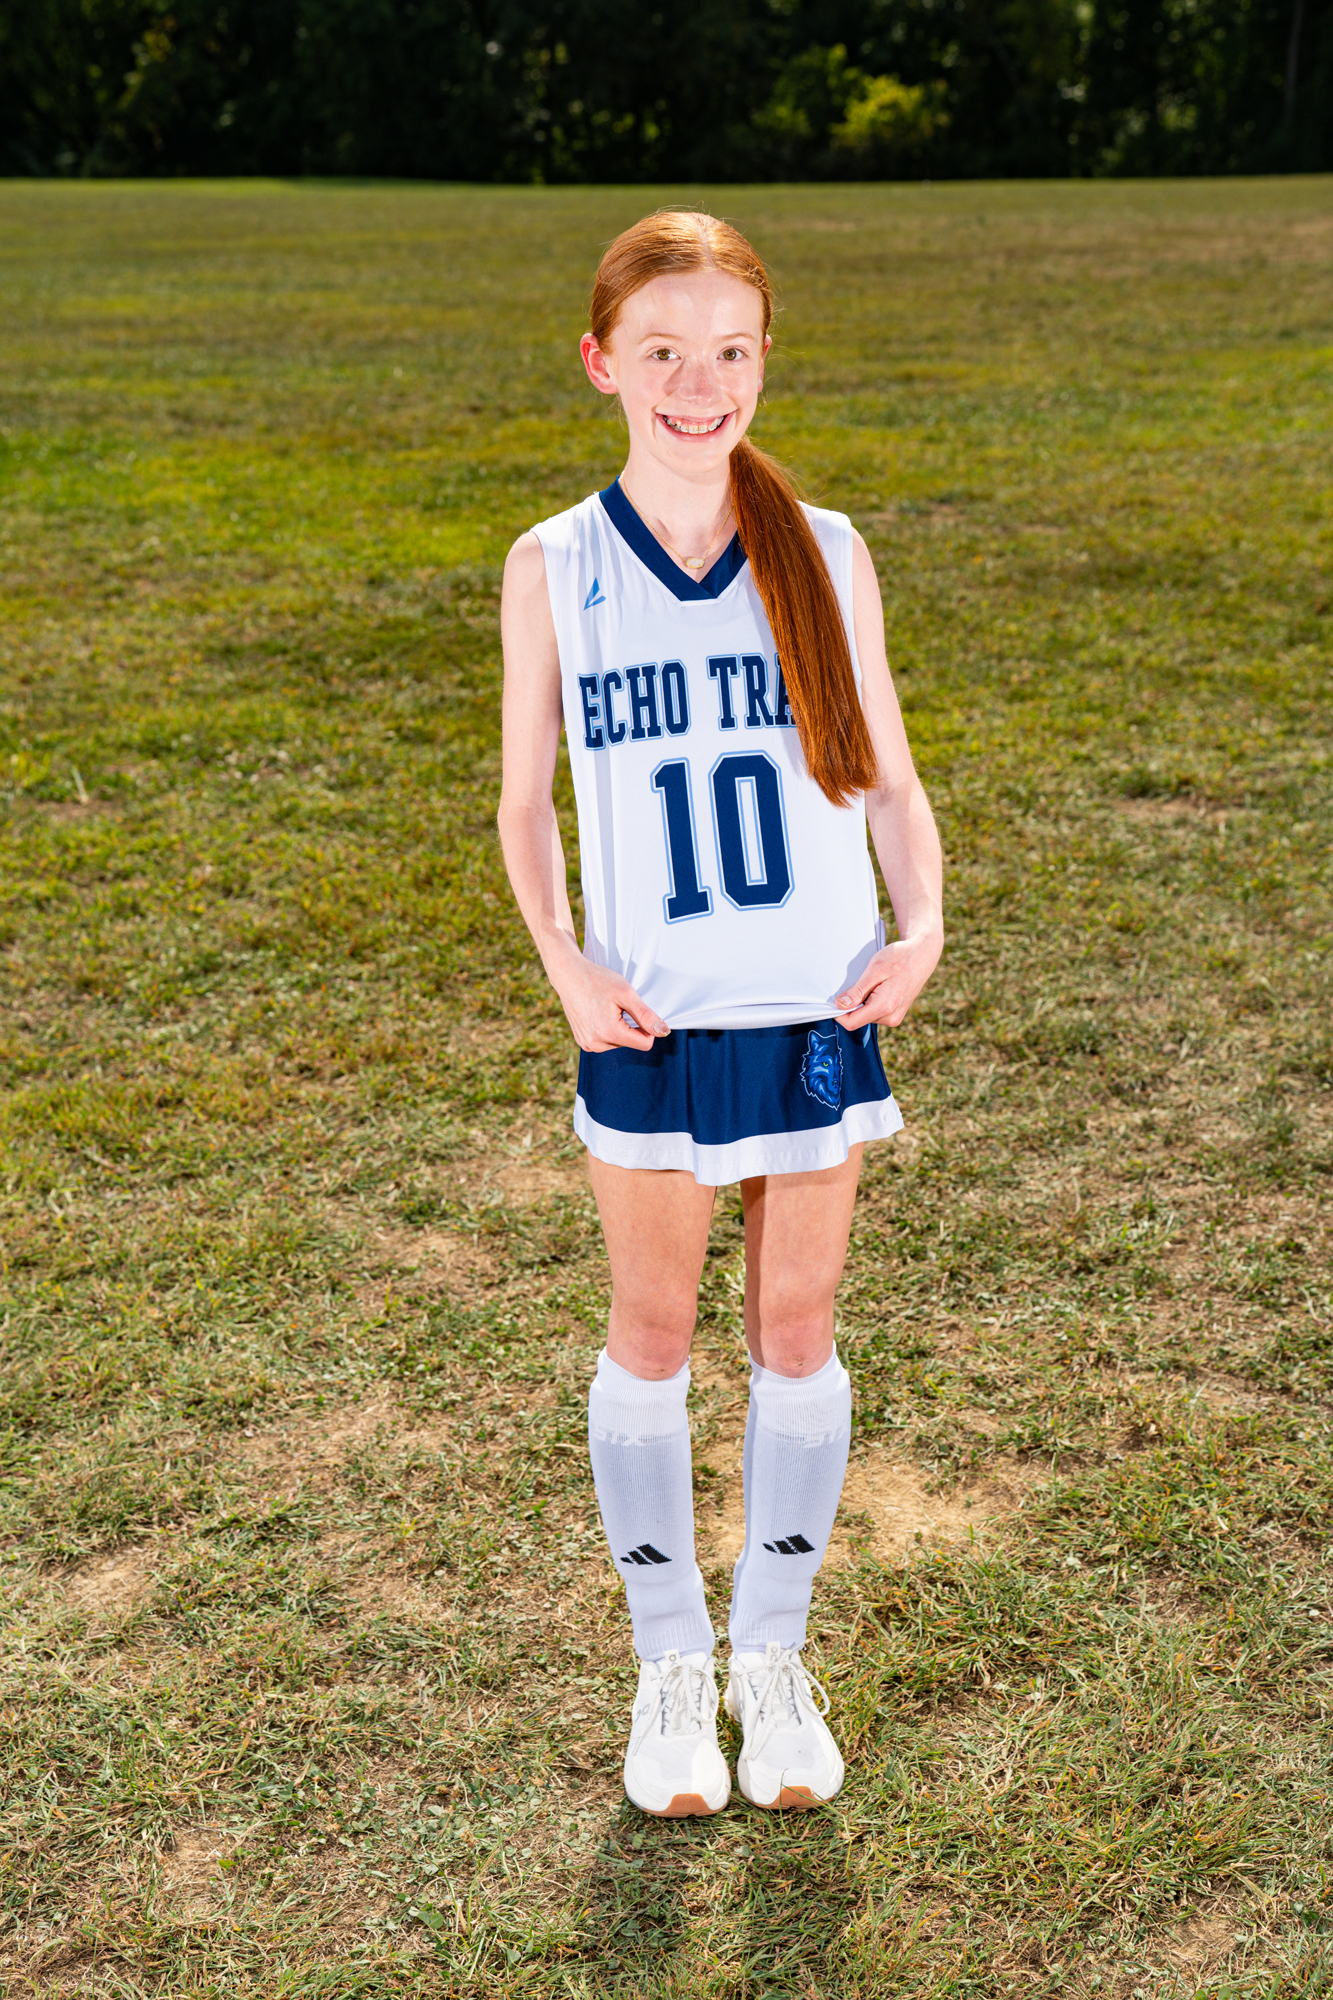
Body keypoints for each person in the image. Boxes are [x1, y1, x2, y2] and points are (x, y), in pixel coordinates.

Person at [498, 210, 942, 1817]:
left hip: (812, 1014)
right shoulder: (555, 563)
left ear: (763, 361)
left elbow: (889, 782)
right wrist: (564, 960)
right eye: (666, 352)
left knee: (796, 1332)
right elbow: (524, 804)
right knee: (652, 1333)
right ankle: (668, 1663)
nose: (701, 384)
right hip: (653, 1026)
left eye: (731, 351)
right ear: (603, 363)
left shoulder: (825, 548)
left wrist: (923, 923)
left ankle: (771, 1651)